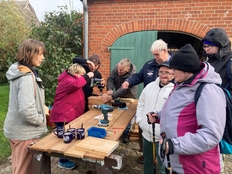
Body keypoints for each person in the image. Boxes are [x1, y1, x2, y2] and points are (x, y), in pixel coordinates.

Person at [148, 44, 226, 174]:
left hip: (196, 167)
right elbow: (181, 112)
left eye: (174, 69)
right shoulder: (182, 84)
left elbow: (211, 135)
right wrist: (160, 116)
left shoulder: (208, 90)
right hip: (177, 162)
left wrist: (174, 145)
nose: (171, 72)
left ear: (186, 69)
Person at [121, 39, 172, 163]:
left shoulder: (176, 65)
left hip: (165, 113)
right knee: (144, 134)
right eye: (153, 55)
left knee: (163, 147)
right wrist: (129, 81)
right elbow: (139, 76)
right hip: (148, 108)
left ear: (164, 51)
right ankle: (147, 155)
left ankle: (162, 160)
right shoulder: (149, 64)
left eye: (157, 55)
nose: (155, 58)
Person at [3, 39, 47, 174]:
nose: (42, 58)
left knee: (18, 166)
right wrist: (41, 120)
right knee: (25, 170)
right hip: (25, 134)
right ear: (29, 54)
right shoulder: (26, 76)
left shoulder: (19, 71)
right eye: (39, 54)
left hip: (16, 130)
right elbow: (27, 110)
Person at [50, 63, 94, 169]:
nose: (82, 77)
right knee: (64, 138)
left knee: (69, 137)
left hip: (68, 114)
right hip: (63, 115)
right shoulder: (68, 81)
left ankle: (67, 157)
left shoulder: (71, 80)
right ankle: (62, 161)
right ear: (76, 73)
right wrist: (88, 76)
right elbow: (76, 84)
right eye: (81, 75)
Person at [136, 61, 174, 174]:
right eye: (161, 72)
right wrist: (139, 120)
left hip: (162, 137)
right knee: (148, 162)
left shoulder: (174, 91)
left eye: (167, 72)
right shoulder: (149, 87)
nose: (164, 75)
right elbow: (141, 103)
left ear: (173, 74)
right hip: (146, 134)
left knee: (163, 165)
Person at [101, 58, 137, 143]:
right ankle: (116, 131)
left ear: (128, 69)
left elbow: (124, 89)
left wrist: (112, 96)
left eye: (122, 70)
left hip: (129, 95)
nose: (119, 71)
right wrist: (110, 89)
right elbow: (110, 79)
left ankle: (125, 134)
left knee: (127, 114)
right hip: (116, 93)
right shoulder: (117, 67)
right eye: (118, 69)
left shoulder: (133, 73)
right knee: (116, 111)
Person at [202, 28, 232, 92]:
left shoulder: (229, 61)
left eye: (210, 46)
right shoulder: (207, 63)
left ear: (220, 45)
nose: (207, 49)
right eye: (205, 46)